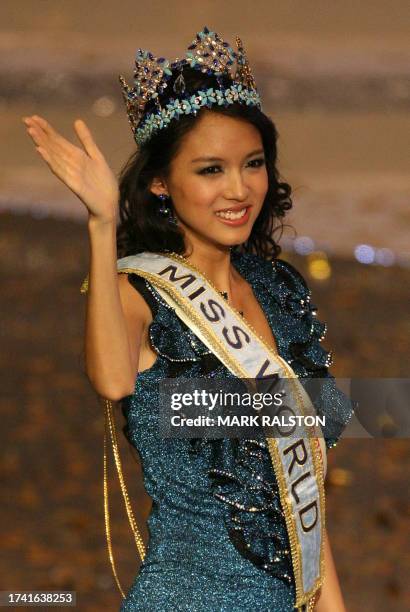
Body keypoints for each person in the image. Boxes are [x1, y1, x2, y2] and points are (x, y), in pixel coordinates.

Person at [23, 26, 354, 612]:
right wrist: (101, 225)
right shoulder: (137, 291)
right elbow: (113, 379)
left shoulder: (279, 291)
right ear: (160, 183)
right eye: (210, 170)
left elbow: (305, 494)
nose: (239, 188)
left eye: (252, 164)